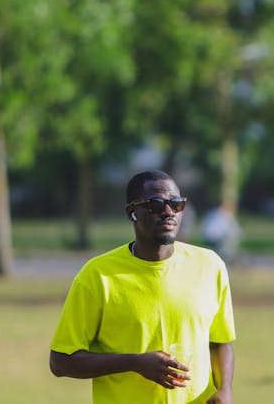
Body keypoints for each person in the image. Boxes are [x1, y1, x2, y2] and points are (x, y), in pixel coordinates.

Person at [49, 170, 236, 404]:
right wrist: (135, 363)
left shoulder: (210, 266)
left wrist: (225, 389)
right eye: (156, 204)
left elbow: (219, 341)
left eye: (176, 204)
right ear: (131, 213)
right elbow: (61, 361)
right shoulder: (98, 276)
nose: (168, 212)